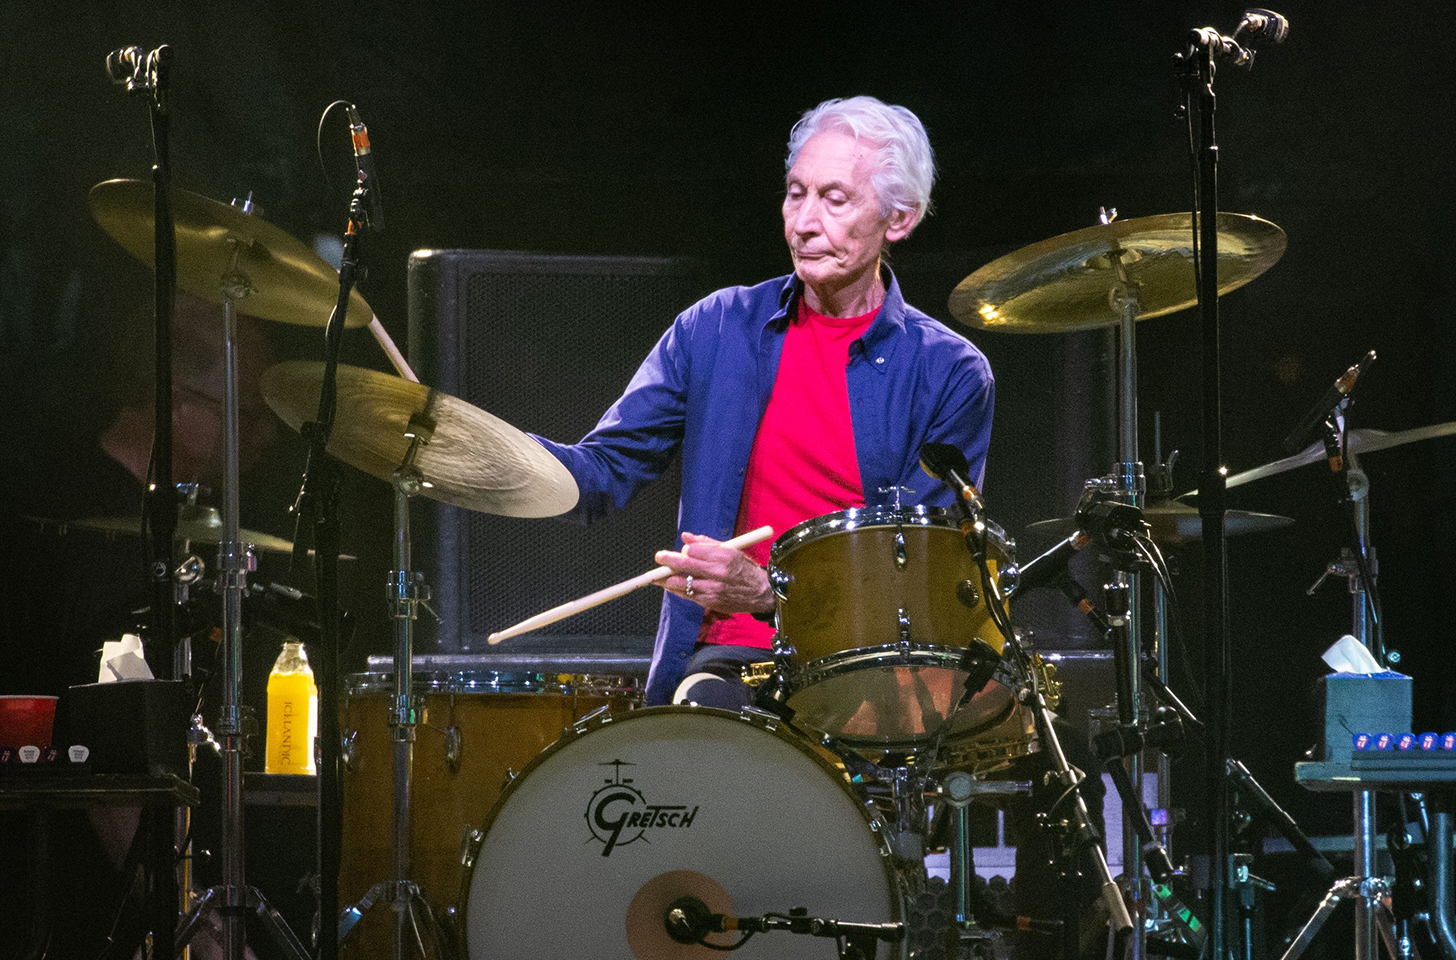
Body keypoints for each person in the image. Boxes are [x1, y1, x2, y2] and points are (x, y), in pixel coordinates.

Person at [531, 96, 994, 707]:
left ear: (899, 219)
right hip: (728, 662)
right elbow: (599, 476)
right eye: (795, 192)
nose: (803, 222)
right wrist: (483, 452)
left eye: (834, 199)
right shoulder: (717, 328)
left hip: (865, 671)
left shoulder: (949, 372)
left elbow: (912, 583)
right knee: (703, 716)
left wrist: (771, 590)